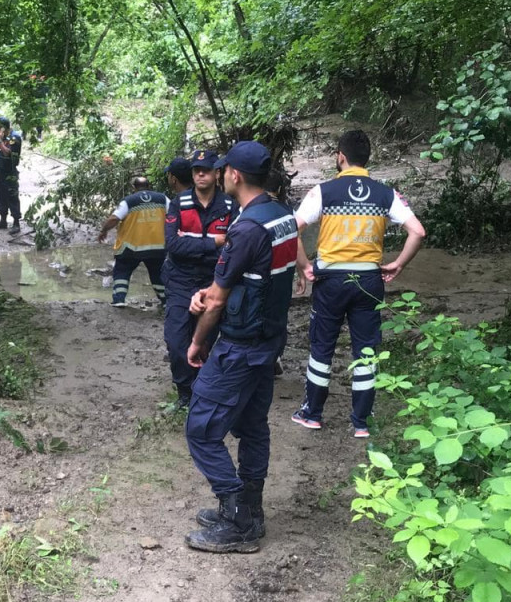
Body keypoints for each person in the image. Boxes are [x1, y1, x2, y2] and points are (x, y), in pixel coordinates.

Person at [182, 141, 298, 553]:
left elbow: (218, 299)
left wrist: (197, 341)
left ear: (234, 175)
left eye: (223, 169)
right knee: (251, 426)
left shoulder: (246, 227)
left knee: (200, 428)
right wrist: (209, 292)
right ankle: (251, 509)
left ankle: (237, 520)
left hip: (241, 346)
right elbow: (251, 280)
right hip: (268, 342)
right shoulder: (280, 214)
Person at [291, 130, 426, 438]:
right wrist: (399, 264)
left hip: (331, 280)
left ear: (340, 156)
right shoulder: (385, 193)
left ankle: (312, 414)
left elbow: (292, 229)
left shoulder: (323, 191)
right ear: (368, 159)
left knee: (322, 346)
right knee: (365, 350)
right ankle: (362, 422)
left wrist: (305, 265)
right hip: (368, 279)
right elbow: (417, 231)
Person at [162, 149, 234, 408]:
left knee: (204, 338)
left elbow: (233, 246)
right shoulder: (178, 203)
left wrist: (191, 241)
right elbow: (172, 245)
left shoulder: (229, 206)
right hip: (180, 280)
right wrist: (212, 242)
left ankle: (200, 388)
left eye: (205, 169)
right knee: (175, 338)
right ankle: (185, 391)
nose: (200, 174)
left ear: (217, 173)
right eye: (196, 170)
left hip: (213, 280)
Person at [98, 176, 167, 308]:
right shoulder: (162, 199)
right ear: (149, 186)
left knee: (122, 271)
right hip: (157, 245)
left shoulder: (129, 201)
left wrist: (103, 230)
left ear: (134, 188)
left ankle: (119, 299)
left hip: (131, 246)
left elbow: (114, 218)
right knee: (157, 273)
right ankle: (165, 300)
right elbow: (175, 214)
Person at [0, 116, 23, 234]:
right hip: (0, 171)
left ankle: (16, 223)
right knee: (0, 195)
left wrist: (0, 141)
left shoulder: (14, 138)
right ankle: (3, 221)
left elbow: (8, 152)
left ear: (4, 128)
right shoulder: (5, 137)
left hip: (10, 172)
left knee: (12, 196)